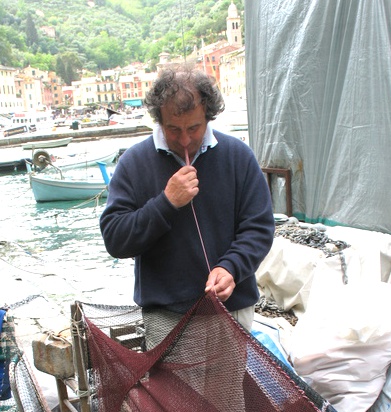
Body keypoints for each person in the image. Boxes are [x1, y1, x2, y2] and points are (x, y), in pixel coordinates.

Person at [100, 65, 275, 349]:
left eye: (194, 128)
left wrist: (231, 268)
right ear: (159, 120)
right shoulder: (133, 163)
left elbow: (259, 228)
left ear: (208, 116)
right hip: (166, 316)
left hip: (231, 309)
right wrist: (166, 202)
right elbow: (116, 240)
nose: (184, 140)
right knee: (170, 383)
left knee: (228, 382)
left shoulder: (238, 156)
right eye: (173, 129)